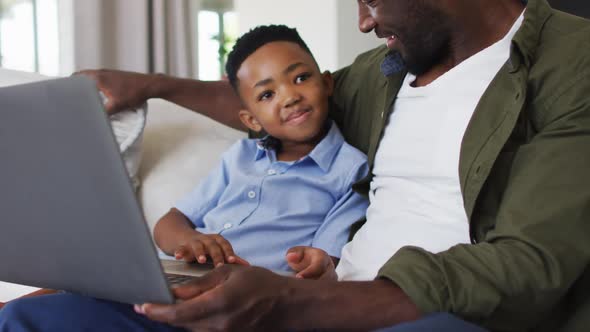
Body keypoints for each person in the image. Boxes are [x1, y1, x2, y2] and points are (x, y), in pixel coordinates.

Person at [1, 0, 589, 331]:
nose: (363, 19)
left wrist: (296, 303)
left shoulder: (570, 62)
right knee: (44, 319)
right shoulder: (386, 70)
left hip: (427, 316)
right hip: (306, 305)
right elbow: (276, 106)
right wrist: (153, 85)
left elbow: (530, 263)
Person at [153, 24, 369, 277]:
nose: (290, 97)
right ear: (252, 121)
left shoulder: (350, 170)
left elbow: (325, 261)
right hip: (180, 276)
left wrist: (316, 263)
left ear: (326, 83)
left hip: (247, 291)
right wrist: (188, 240)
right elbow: (168, 224)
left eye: (300, 78)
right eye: (267, 94)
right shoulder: (240, 156)